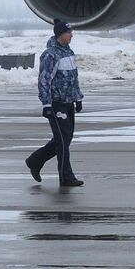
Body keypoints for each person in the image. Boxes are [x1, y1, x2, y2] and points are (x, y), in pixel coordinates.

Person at [27, 20, 85, 187]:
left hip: (69, 102)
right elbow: (44, 79)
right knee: (62, 140)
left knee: (64, 139)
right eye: (69, 32)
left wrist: (78, 98)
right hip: (56, 103)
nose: (71, 35)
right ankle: (66, 176)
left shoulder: (68, 52)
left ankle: (35, 160)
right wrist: (46, 104)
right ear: (60, 34)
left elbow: (73, 78)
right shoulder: (50, 55)